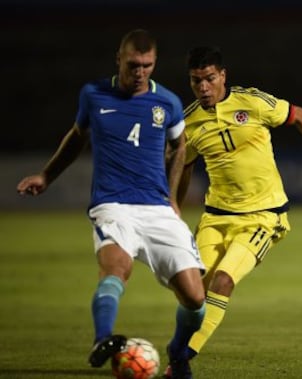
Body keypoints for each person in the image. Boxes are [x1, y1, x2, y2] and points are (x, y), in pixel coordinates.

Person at [17, 29, 206, 379]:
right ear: (118, 58)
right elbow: (77, 137)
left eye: (148, 66)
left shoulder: (167, 102)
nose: (140, 72)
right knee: (116, 270)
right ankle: (102, 340)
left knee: (196, 299)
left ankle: (178, 354)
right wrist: (46, 176)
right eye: (134, 64)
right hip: (113, 205)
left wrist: (173, 200)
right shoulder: (93, 95)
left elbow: (180, 147)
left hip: (157, 209)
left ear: (154, 63)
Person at [168, 46, 302, 366]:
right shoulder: (189, 122)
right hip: (215, 217)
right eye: (196, 81)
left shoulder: (252, 102)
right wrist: (174, 208)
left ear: (223, 76)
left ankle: (181, 357)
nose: (204, 87)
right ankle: (179, 348)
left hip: (263, 218)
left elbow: (299, 115)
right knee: (193, 292)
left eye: (210, 79)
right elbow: (183, 167)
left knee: (224, 280)